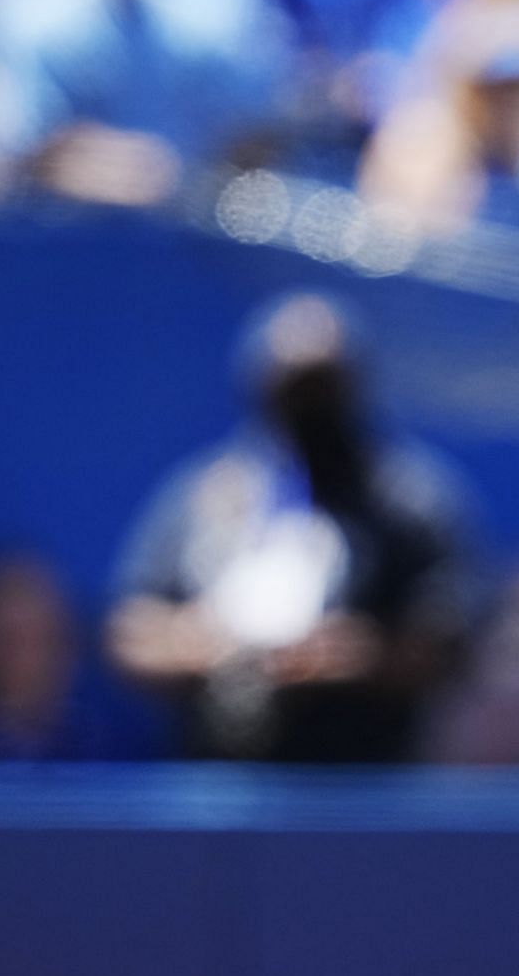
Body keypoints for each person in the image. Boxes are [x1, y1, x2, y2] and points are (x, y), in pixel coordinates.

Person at [106, 292, 479, 763]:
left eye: (323, 386)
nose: (308, 407)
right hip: (217, 787)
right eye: (293, 387)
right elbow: (130, 631)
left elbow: (457, 640)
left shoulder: (409, 500)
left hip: (360, 789)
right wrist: (208, 645)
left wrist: (360, 656)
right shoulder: (207, 493)